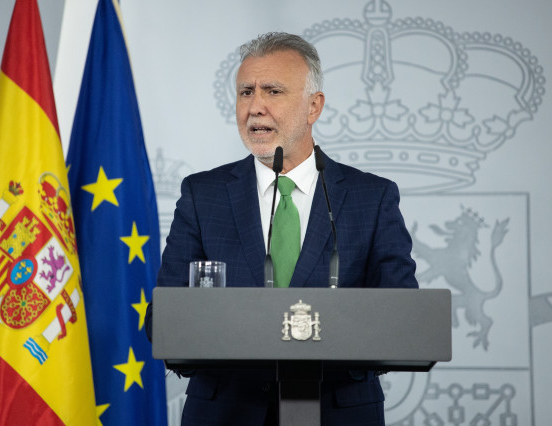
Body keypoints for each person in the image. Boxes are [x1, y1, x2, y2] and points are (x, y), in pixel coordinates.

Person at [147, 32, 418, 426]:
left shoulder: (370, 197)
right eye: (245, 93)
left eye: (272, 91)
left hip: (338, 413)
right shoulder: (202, 195)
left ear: (313, 107)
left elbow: (403, 316)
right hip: (226, 412)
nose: (255, 107)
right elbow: (164, 318)